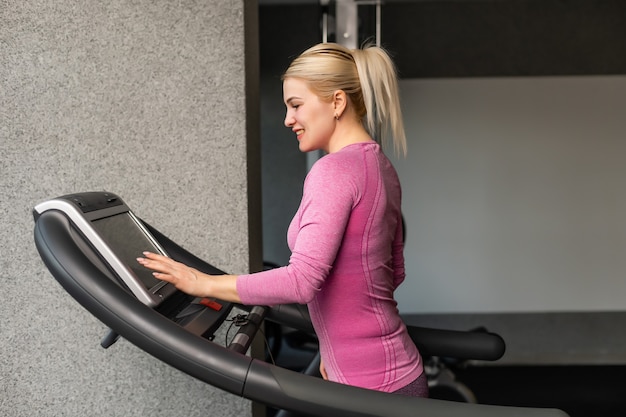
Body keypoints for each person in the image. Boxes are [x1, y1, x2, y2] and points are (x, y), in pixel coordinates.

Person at [137, 42, 428, 398]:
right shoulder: (380, 167)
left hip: (373, 386)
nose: (288, 119)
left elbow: (302, 281)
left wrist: (205, 284)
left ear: (337, 102)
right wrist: (335, 349)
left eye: (296, 105)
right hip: (397, 374)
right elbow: (391, 272)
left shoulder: (334, 171)